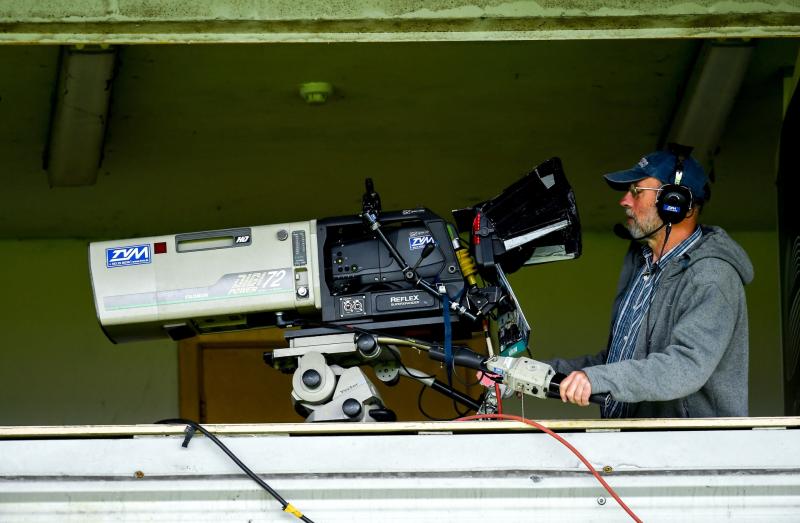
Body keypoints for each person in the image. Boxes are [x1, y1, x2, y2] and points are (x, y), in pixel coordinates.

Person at [549, 149, 753, 417]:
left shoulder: (712, 276)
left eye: (636, 191)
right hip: (638, 448)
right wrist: (538, 373)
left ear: (675, 202)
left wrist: (597, 379)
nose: (624, 201)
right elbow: (618, 362)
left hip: (691, 454)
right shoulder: (643, 264)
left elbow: (685, 366)